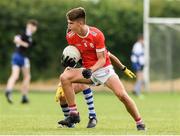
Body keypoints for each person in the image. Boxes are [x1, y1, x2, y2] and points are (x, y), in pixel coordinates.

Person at [58, 7, 145, 130]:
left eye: (71, 23)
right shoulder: (70, 36)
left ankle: (140, 123)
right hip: (88, 71)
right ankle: (73, 114)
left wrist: (122, 68)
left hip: (104, 70)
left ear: (81, 23)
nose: (69, 26)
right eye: (68, 23)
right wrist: (69, 64)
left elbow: (103, 59)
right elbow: (76, 54)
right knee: (64, 77)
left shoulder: (96, 35)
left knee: (122, 96)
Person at [55, 52, 135, 128]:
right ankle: (70, 123)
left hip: (100, 73)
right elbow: (69, 69)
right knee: (62, 97)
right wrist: (60, 85)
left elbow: (110, 56)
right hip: (85, 73)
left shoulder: (94, 44)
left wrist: (123, 68)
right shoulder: (76, 48)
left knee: (83, 84)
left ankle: (92, 116)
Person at [5, 19, 38, 104]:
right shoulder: (26, 34)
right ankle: (24, 96)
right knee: (27, 76)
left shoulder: (27, 35)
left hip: (15, 55)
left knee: (15, 75)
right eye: (33, 26)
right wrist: (25, 44)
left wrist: (21, 42)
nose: (34, 28)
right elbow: (16, 39)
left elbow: (17, 39)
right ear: (30, 26)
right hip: (22, 57)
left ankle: (8, 90)